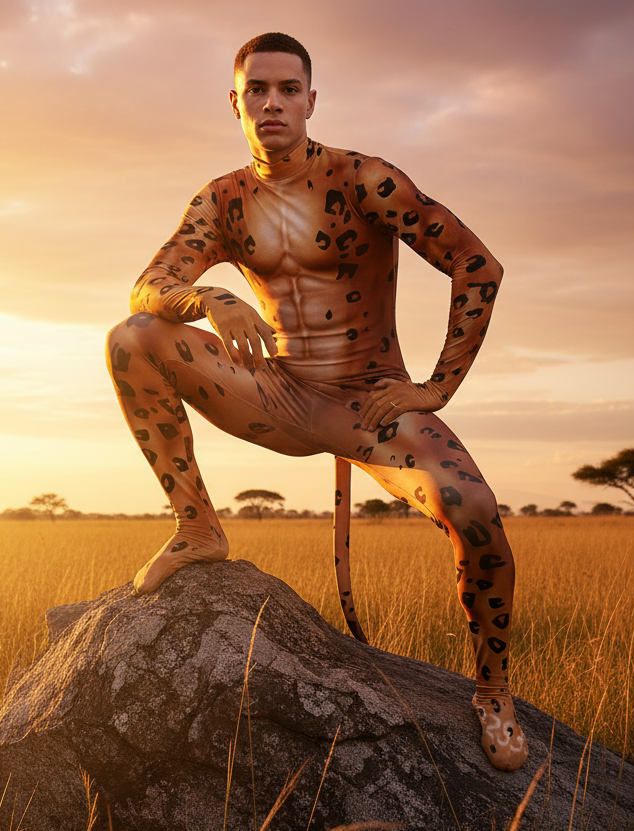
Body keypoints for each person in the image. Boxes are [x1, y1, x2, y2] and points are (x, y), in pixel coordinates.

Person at [106, 32, 528, 771]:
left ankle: (491, 688)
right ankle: (196, 525)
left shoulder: (366, 178)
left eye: (287, 89)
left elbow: (476, 265)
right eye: (257, 90)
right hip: (277, 391)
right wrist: (206, 294)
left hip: (372, 405)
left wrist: (434, 387)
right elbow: (147, 287)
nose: (272, 102)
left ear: (310, 99)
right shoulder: (222, 198)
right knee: (132, 336)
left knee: (475, 510)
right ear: (236, 104)